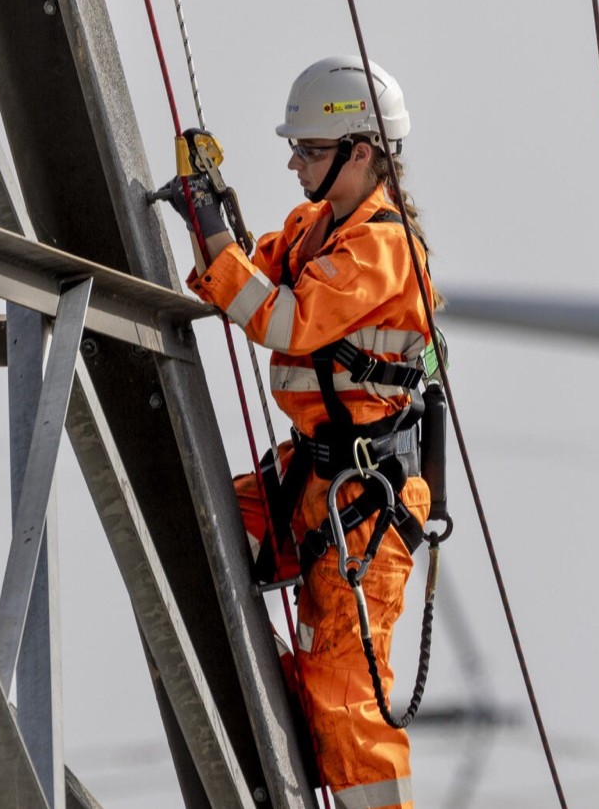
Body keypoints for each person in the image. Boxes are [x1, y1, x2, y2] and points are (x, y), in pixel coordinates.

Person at [167, 56, 438, 809]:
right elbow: (242, 279)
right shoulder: (315, 226)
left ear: (361, 152)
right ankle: (271, 726)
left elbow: (281, 318)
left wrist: (215, 238)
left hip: (365, 504)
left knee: (347, 699)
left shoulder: (381, 248)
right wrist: (209, 216)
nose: (293, 161)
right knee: (188, 533)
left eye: (309, 150)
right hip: (312, 481)